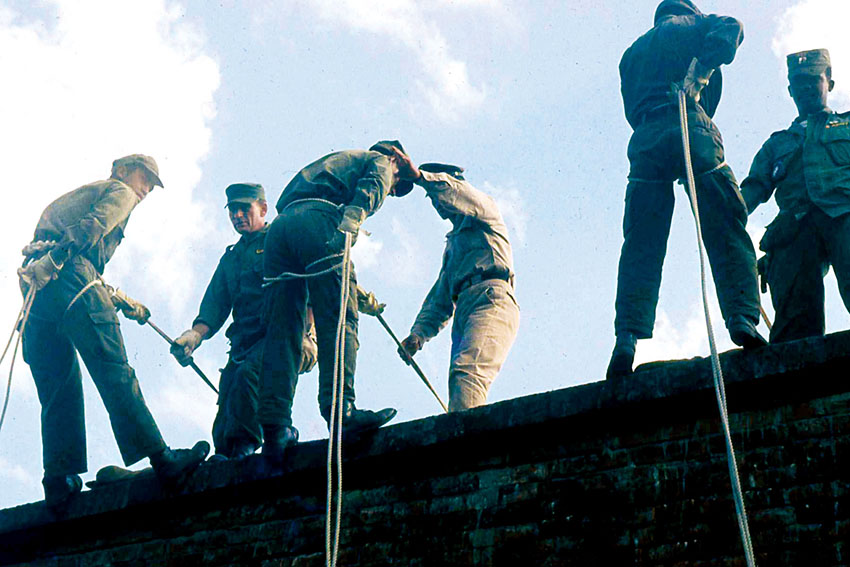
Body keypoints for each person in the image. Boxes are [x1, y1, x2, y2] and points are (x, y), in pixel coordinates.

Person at [19, 154, 209, 507]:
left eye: (152, 184)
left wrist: (120, 299)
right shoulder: (119, 191)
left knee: (58, 385)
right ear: (122, 171)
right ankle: (163, 461)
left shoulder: (84, 194)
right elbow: (92, 229)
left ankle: (58, 481)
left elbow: (77, 259)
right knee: (114, 370)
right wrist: (59, 259)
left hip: (38, 284)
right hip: (64, 268)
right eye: (144, 178)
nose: (146, 188)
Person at [607, 0, 766, 379]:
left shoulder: (632, 53)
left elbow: (631, 108)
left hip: (646, 140)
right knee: (725, 222)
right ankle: (743, 318)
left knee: (641, 245)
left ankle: (626, 337)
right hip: (689, 121)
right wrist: (703, 68)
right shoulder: (696, 24)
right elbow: (732, 27)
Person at [259, 140, 417, 460]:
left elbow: (318, 267)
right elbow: (375, 182)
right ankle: (341, 413)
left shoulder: (336, 161)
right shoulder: (382, 160)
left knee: (284, 332)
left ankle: (274, 429)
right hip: (320, 221)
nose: (392, 191)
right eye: (397, 187)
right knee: (340, 318)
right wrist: (356, 215)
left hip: (281, 230)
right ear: (397, 157)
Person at [170, 183, 317, 460]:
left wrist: (303, 331)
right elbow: (213, 309)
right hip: (245, 344)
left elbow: (311, 285)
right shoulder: (231, 259)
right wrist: (193, 336)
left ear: (262, 208)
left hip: (287, 336)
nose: (237, 215)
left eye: (244, 208)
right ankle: (227, 454)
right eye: (232, 210)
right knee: (230, 388)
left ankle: (246, 446)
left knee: (249, 376)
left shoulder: (282, 238)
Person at [741, 49, 850, 343]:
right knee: (794, 323)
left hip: (845, 215)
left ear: (830, 83)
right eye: (799, 83)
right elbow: (751, 190)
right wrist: (716, 202)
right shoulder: (777, 144)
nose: (806, 88)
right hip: (794, 227)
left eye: (813, 80)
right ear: (790, 90)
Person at [395, 156, 520, 411]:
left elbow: (457, 192)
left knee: (468, 371)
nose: (435, 203)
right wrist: (418, 335)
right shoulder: (453, 246)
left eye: (435, 195)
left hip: (491, 299)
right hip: (465, 304)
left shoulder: (484, 209)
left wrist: (420, 178)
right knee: (459, 377)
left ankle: (466, 449)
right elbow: (439, 300)